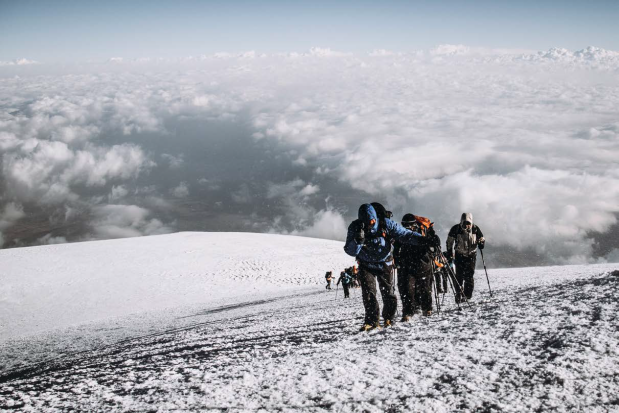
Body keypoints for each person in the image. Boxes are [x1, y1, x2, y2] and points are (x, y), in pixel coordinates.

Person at [344, 203, 428, 331]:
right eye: (368, 222)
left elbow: (405, 235)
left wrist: (424, 240)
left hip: (384, 262)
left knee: (388, 292)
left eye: (373, 220)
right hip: (366, 264)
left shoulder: (385, 224)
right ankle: (372, 321)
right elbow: (350, 250)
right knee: (368, 293)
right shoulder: (355, 227)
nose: (371, 223)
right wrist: (357, 241)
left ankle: (389, 317)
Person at [394, 214, 441, 320]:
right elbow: (396, 248)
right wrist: (397, 259)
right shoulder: (402, 234)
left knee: (424, 288)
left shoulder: (422, 230)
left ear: (414, 224)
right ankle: (410, 312)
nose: (406, 227)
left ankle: (425, 309)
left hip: (420, 264)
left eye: (408, 225)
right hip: (413, 264)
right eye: (404, 225)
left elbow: (433, 241)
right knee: (408, 289)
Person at [445, 212, 485, 303]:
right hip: (459, 255)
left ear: (471, 222)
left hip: (471, 255)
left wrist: (481, 243)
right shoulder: (456, 229)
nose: (467, 225)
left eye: (468, 223)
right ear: (461, 222)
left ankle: (467, 295)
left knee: (469, 276)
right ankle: (459, 293)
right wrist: (449, 253)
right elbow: (449, 242)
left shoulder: (475, 229)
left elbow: (482, 238)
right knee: (459, 276)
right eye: (465, 223)